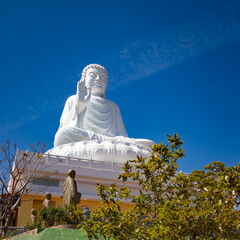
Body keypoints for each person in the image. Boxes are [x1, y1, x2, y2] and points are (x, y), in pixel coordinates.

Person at [53, 64, 153, 148]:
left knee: (150, 145)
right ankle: (110, 142)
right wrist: (80, 105)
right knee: (62, 134)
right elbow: (65, 129)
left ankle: (110, 142)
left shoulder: (113, 106)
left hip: (112, 144)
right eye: (93, 75)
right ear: (83, 80)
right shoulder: (73, 99)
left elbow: (123, 137)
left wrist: (127, 142)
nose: (98, 79)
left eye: (103, 77)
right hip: (91, 142)